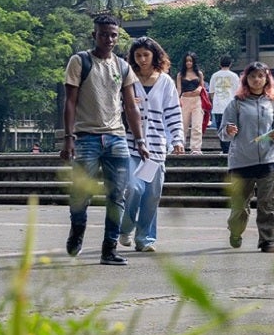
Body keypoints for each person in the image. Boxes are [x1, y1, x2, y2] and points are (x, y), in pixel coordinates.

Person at [60, 14, 149, 266]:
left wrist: (140, 140)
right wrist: (69, 138)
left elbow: (131, 106)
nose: (109, 39)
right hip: (87, 137)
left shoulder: (122, 66)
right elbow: (69, 101)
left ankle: (109, 249)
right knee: (80, 193)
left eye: (113, 35)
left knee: (118, 194)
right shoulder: (80, 61)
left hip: (117, 137)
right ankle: (77, 230)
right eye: (103, 34)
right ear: (94, 35)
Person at [120, 36, 185, 252]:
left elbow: (173, 113)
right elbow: (113, 106)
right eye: (137, 55)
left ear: (154, 55)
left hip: (155, 148)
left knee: (151, 195)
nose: (142, 59)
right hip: (131, 145)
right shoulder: (127, 79)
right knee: (133, 188)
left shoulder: (165, 82)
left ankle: (144, 239)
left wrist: (177, 138)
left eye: (146, 55)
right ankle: (125, 227)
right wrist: (126, 105)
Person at [218, 62, 274, 253]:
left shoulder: (273, 103)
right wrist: (229, 130)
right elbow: (222, 132)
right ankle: (235, 231)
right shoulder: (236, 104)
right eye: (252, 76)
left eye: (260, 76)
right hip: (241, 160)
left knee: (268, 203)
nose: (256, 80)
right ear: (246, 80)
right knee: (239, 206)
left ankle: (268, 240)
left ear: (266, 79)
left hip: (269, 160)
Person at [208, 56, 241, 153]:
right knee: (231, 128)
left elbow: (211, 92)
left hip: (218, 106)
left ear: (220, 63)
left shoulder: (214, 75)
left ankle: (224, 149)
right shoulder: (234, 76)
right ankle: (231, 149)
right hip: (230, 106)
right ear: (230, 64)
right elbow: (238, 92)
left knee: (220, 129)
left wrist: (215, 100)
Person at [177, 52, 206, 155]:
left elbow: (202, 86)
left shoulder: (199, 74)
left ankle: (196, 148)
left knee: (197, 125)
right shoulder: (181, 74)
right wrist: (178, 100)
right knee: (183, 125)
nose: (188, 63)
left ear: (194, 62)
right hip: (185, 99)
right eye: (187, 61)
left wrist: (198, 88)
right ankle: (180, 146)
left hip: (197, 100)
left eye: (190, 61)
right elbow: (179, 89)